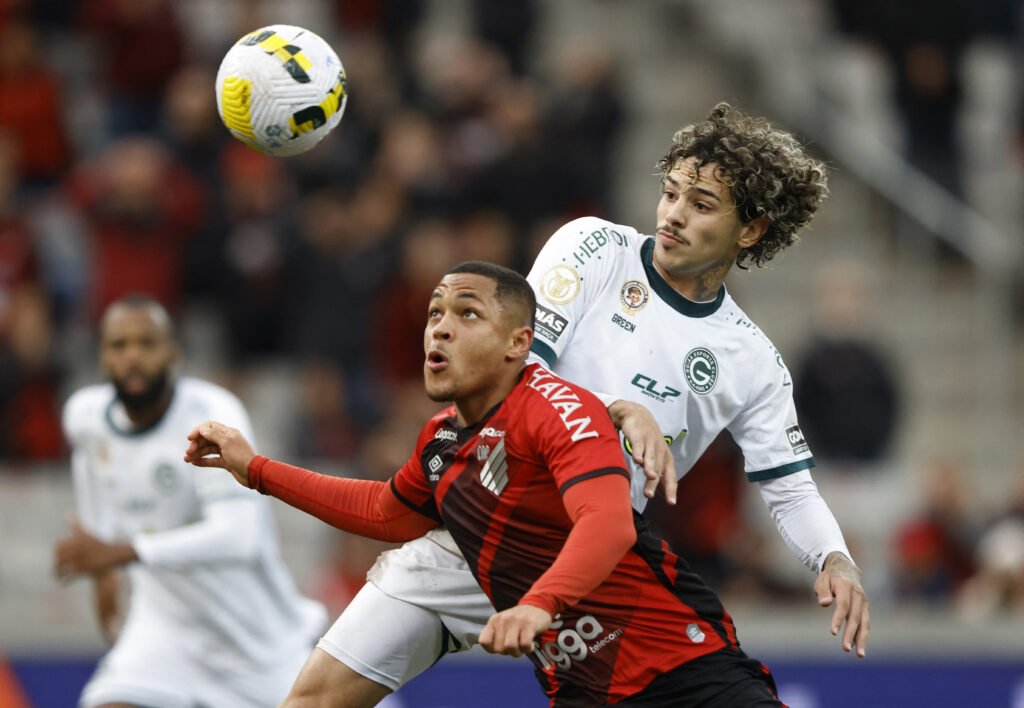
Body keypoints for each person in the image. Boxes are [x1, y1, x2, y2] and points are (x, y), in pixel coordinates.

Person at [263, 102, 869, 707]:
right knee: (313, 700)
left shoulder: (751, 359)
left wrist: (834, 558)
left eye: (701, 205)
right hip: (479, 512)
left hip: (590, 552)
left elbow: (789, 487)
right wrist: (619, 408)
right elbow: (516, 363)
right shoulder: (595, 246)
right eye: (671, 194)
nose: (674, 216)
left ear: (752, 230)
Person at [186, 261, 787, 706]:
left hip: (683, 671)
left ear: (518, 344)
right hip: (587, 688)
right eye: (435, 314)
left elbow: (607, 523)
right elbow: (385, 511)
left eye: (466, 313)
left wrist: (537, 605)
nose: (439, 330)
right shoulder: (444, 438)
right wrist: (256, 469)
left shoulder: (557, 408)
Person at [53, 294, 327, 708]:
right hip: (165, 634)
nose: (133, 357)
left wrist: (122, 552)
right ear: (102, 357)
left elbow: (240, 537)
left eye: (147, 343)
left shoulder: (211, 413)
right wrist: (103, 573)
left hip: (256, 641)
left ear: (173, 352)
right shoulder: (84, 416)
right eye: (119, 345)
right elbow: (93, 481)